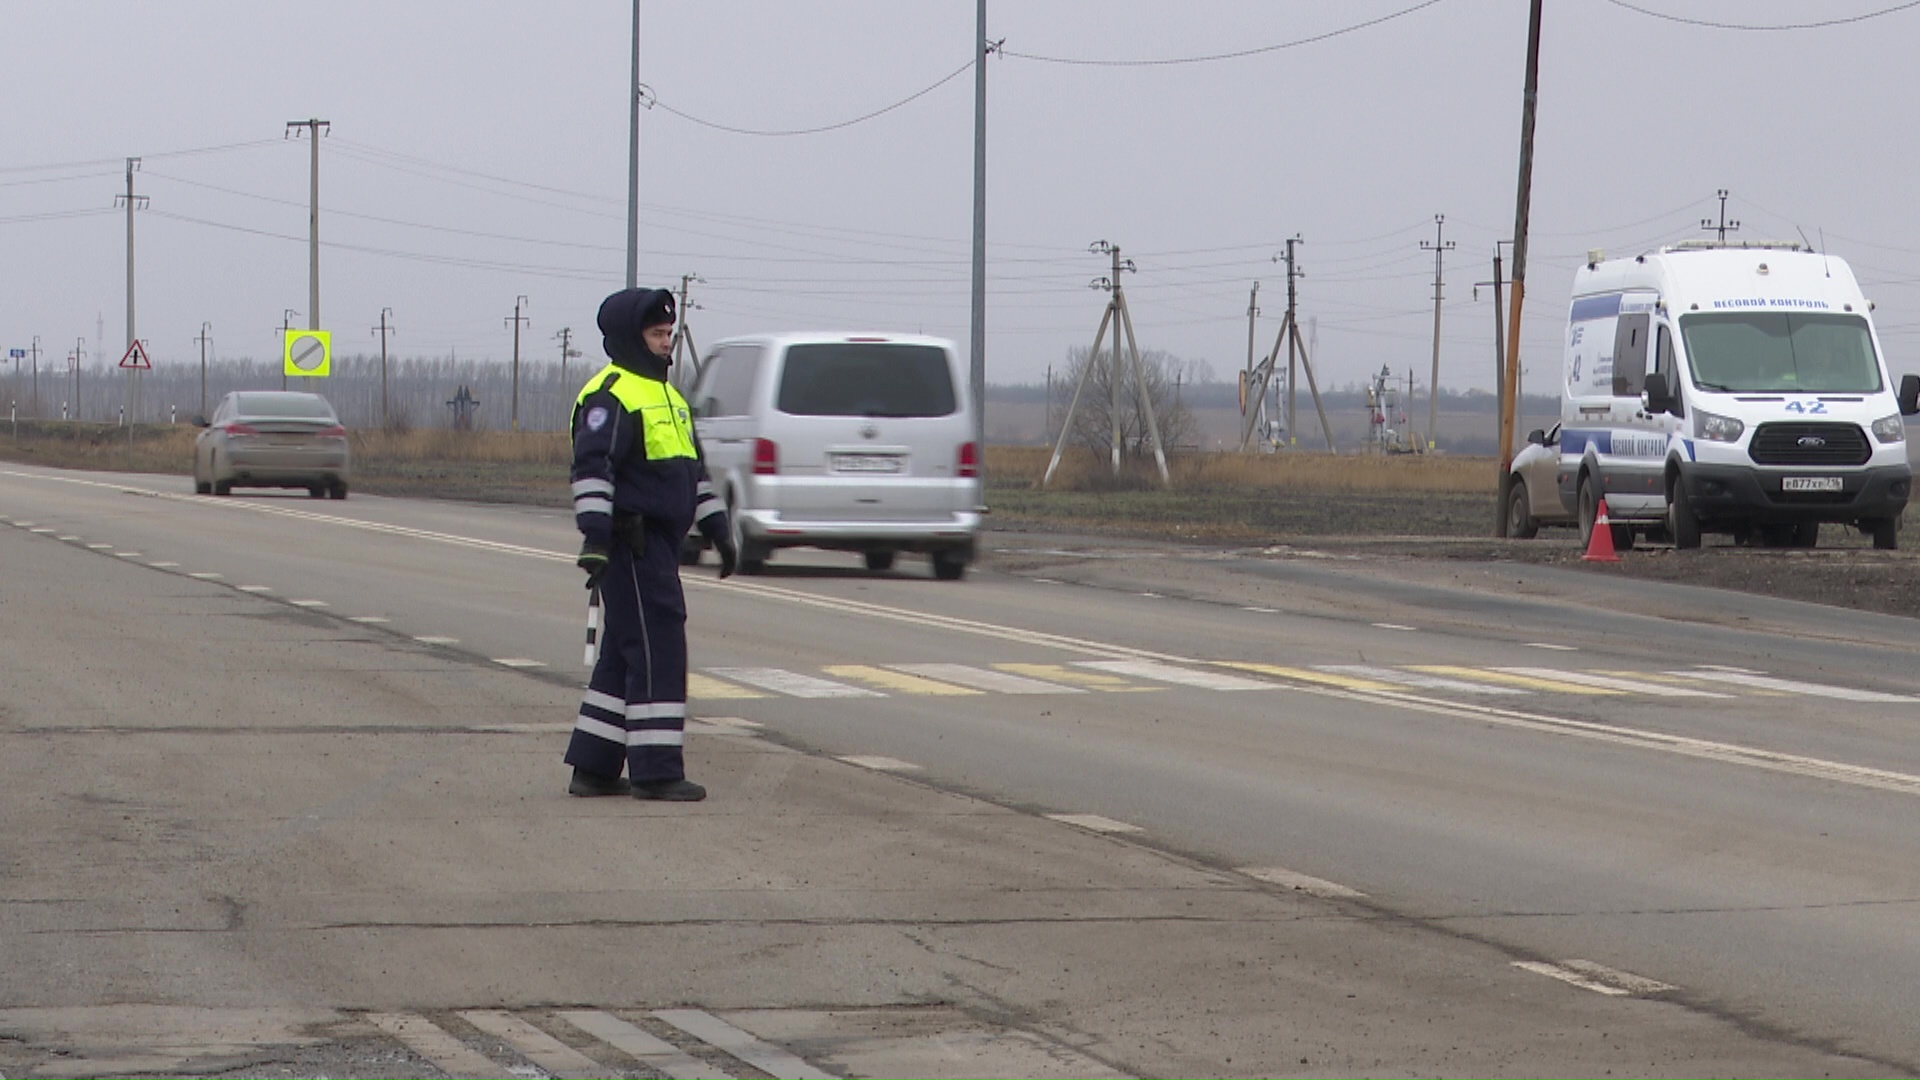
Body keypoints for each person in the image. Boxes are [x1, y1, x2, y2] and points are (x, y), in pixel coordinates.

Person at [564, 286, 737, 801]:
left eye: (668, 334)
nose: (667, 344)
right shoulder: (611, 394)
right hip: (630, 545)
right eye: (658, 335)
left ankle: (593, 767)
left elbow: (694, 474)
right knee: (659, 647)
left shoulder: (670, 398)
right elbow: (593, 469)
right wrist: (595, 537)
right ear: (629, 338)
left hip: (661, 547)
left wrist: (718, 528)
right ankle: (656, 771)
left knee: (623, 652)